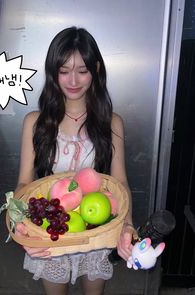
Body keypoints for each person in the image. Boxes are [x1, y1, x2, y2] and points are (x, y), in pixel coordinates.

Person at [15, 26, 134, 295]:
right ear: (53, 72)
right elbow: (24, 182)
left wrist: (128, 226)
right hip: (51, 234)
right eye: (64, 70)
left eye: (82, 71)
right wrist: (21, 227)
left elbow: (121, 181)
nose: (73, 80)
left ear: (97, 69)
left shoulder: (112, 123)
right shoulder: (35, 122)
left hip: (97, 232)